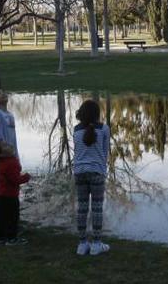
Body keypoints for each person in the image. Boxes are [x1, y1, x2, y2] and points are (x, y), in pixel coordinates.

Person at [73, 99, 111, 256]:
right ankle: (96, 244)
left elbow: (77, 151)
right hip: (96, 172)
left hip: (79, 172)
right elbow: (105, 151)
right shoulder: (104, 129)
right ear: (97, 114)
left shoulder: (76, 130)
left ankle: (82, 245)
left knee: (82, 208)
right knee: (96, 208)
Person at [0, 140, 31, 245]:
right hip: (9, 196)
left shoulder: (3, 162)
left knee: (2, 217)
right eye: (4, 145)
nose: (8, 145)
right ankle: (12, 239)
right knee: (12, 217)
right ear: (1, 154)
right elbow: (15, 180)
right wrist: (26, 177)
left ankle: (0, 237)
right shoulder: (10, 162)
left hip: (1, 195)